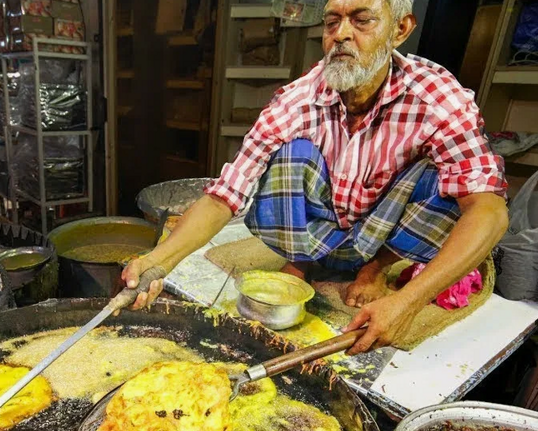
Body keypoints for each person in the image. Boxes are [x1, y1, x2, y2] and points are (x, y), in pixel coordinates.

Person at [124, 0, 509, 356]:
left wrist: (406, 303)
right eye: (332, 21)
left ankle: (372, 270)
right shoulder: (297, 99)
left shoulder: (437, 97)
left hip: (383, 232)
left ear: (400, 29)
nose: (341, 34)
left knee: (450, 180)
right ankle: (301, 261)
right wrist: (158, 261)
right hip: (319, 227)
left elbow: (489, 210)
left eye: (362, 20)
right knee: (293, 153)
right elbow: (225, 194)